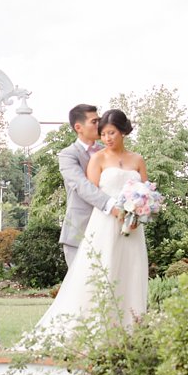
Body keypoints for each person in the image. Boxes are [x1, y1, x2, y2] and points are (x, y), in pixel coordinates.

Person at [31, 108, 149, 339]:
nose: (101, 131)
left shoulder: (134, 158)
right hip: (93, 227)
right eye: (96, 123)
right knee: (88, 286)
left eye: (108, 129)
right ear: (79, 126)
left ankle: (128, 334)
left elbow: (144, 189)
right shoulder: (72, 155)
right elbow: (85, 188)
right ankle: (88, 337)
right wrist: (115, 207)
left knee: (128, 277)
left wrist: (141, 210)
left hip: (130, 228)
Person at [57, 104, 122, 268]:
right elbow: (82, 185)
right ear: (78, 127)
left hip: (109, 228)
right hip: (80, 230)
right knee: (81, 288)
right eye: (94, 121)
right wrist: (112, 205)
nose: (100, 125)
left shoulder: (108, 151)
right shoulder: (68, 155)